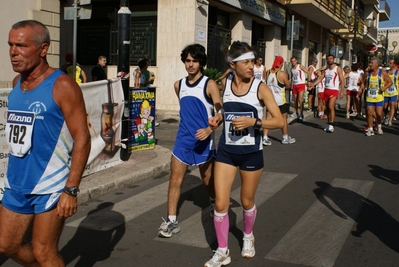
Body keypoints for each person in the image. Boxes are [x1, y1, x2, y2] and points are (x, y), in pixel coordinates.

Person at [0, 20, 91, 266]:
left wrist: (70, 190)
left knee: (44, 252)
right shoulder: (17, 83)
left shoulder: (62, 85)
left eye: (21, 45)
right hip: (16, 183)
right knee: (6, 244)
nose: (13, 52)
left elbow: (82, 137)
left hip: (50, 184)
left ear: (43, 49)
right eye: (10, 45)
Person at [205, 41, 284, 266]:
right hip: (227, 152)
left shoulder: (261, 88)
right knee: (221, 203)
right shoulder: (225, 83)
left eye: (252, 61)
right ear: (233, 64)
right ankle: (222, 251)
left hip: (251, 153)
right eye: (246, 62)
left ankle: (248, 236)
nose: (252, 66)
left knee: (246, 200)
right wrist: (218, 117)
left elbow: (279, 120)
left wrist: (255, 121)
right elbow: (223, 109)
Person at [158, 44, 222, 238]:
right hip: (182, 141)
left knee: (208, 180)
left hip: (204, 142)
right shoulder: (179, 85)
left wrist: (210, 128)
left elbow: (221, 111)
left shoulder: (209, 84)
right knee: (175, 180)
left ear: (201, 62)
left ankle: (213, 201)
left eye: (194, 61)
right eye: (188, 60)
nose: (191, 64)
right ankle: (171, 221)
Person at [263, 56, 296, 145]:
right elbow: (288, 86)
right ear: (281, 63)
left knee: (268, 119)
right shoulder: (282, 74)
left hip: (270, 100)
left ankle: (265, 137)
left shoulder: (267, 73)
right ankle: (285, 137)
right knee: (284, 119)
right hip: (280, 101)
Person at [364, 57, 392, 136]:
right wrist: (361, 88)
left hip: (379, 97)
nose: (370, 64)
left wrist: (384, 88)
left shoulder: (382, 73)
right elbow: (363, 81)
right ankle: (370, 129)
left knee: (379, 114)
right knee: (369, 113)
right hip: (369, 96)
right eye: (369, 63)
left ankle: (379, 126)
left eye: (371, 63)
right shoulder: (368, 73)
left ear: (377, 64)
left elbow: (390, 82)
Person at [318, 54, 345, 133]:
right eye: (328, 59)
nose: (329, 60)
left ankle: (331, 125)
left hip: (334, 90)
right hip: (326, 90)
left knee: (331, 106)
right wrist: (312, 84)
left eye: (331, 58)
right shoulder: (326, 70)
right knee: (327, 108)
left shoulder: (337, 68)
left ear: (333, 59)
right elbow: (320, 79)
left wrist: (342, 91)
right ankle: (329, 123)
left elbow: (342, 80)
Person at [289, 56, 310, 121]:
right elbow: (292, 78)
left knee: (300, 100)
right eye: (292, 61)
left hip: (301, 84)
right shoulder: (291, 69)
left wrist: (308, 82)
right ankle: (296, 112)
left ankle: (301, 113)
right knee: (295, 100)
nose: (293, 63)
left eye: (294, 61)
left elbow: (308, 72)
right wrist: (288, 82)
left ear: (296, 61)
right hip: (294, 85)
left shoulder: (300, 66)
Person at [383, 58, 398, 126]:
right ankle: (386, 116)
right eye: (389, 63)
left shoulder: (397, 72)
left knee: (392, 105)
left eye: (391, 63)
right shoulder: (386, 72)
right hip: (386, 91)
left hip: (394, 92)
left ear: (394, 64)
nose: (389, 64)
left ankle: (390, 120)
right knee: (385, 107)